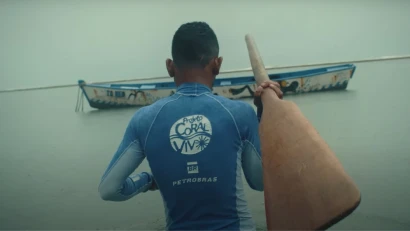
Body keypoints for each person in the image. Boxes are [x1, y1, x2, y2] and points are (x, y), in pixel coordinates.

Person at [98, 21, 283, 231]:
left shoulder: (144, 120)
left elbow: (109, 189)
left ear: (169, 66)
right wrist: (264, 115)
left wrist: (149, 180)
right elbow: (260, 183)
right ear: (217, 64)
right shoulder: (239, 114)